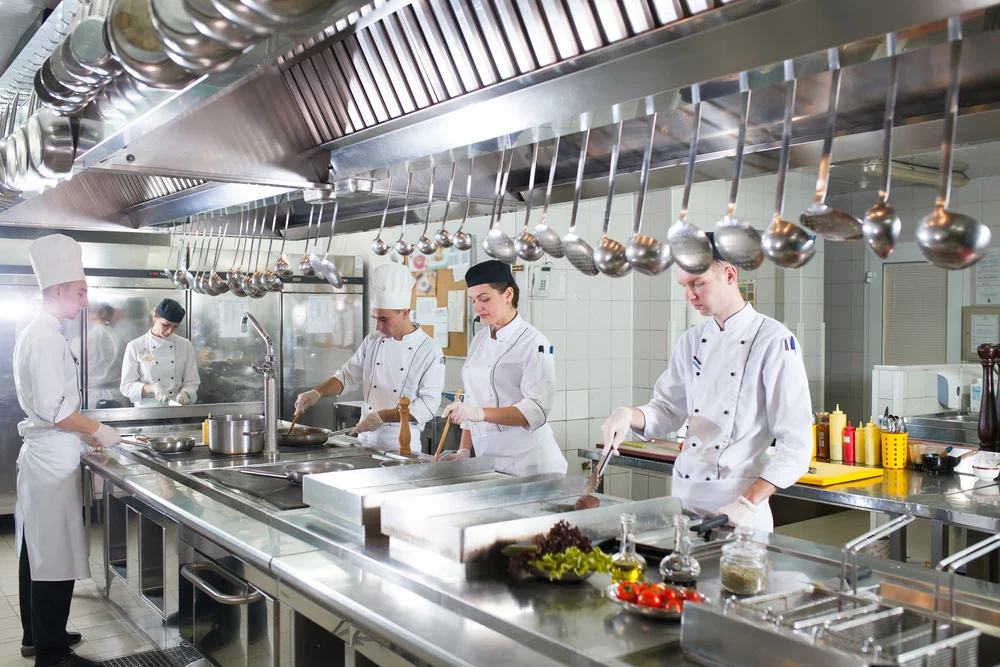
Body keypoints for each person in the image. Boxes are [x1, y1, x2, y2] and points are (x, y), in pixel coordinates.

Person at [600, 236, 812, 532]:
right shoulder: (691, 340)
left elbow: (797, 445)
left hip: (739, 508)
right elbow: (667, 409)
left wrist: (748, 503)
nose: (689, 296)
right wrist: (628, 414)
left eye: (697, 284)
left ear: (729, 275)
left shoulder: (774, 340)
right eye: (684, 287)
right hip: (685, 501)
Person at [14, 234, 121, 667]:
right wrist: (100, 431)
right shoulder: (45, 337)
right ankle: (52, 654)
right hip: (48, 462)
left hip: (49, 456)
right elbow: (58, 411)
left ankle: (39, 636)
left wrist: (85, 435)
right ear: (57, 290)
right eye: (79, 294)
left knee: (36, 552)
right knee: (52, 557)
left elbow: (55, 408)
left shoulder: (42, 332)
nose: (84, 303)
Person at [295, 263, 444, 450]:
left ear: (404, 313)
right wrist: (317, 392)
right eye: (376, 318)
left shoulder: (429, 350)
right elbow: (347, 376)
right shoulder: (373, 340)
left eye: (384, 319)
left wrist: (382, 416)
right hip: (365, 443)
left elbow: (428, 405)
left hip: (401, 446)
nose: (378, 327)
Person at [441, 260, 566, 476]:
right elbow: (472, 399)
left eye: (484, 299)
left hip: (530, 463)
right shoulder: (479, 338)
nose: (477, 308)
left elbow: (535, 410)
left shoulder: (534, 343)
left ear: (508, 294)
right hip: (489, 459)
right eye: (473, 301)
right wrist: (464, 450)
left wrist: (477, 413)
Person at [120, 298, 200, 407]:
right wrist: (151, 388)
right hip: (147, 410)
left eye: (175, 326)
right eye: (165, 325)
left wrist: (185, 393)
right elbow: (126, 386)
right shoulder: (135, 346)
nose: (169, 331)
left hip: (177, 408)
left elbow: (192, 381)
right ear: (154, 317)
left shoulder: (185, 345)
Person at [87, 304, 128, 408]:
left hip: (91, 396)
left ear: (91, 315)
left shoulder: (83, 339)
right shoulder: (121, 337)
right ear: (110, 316)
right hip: (117, 395)